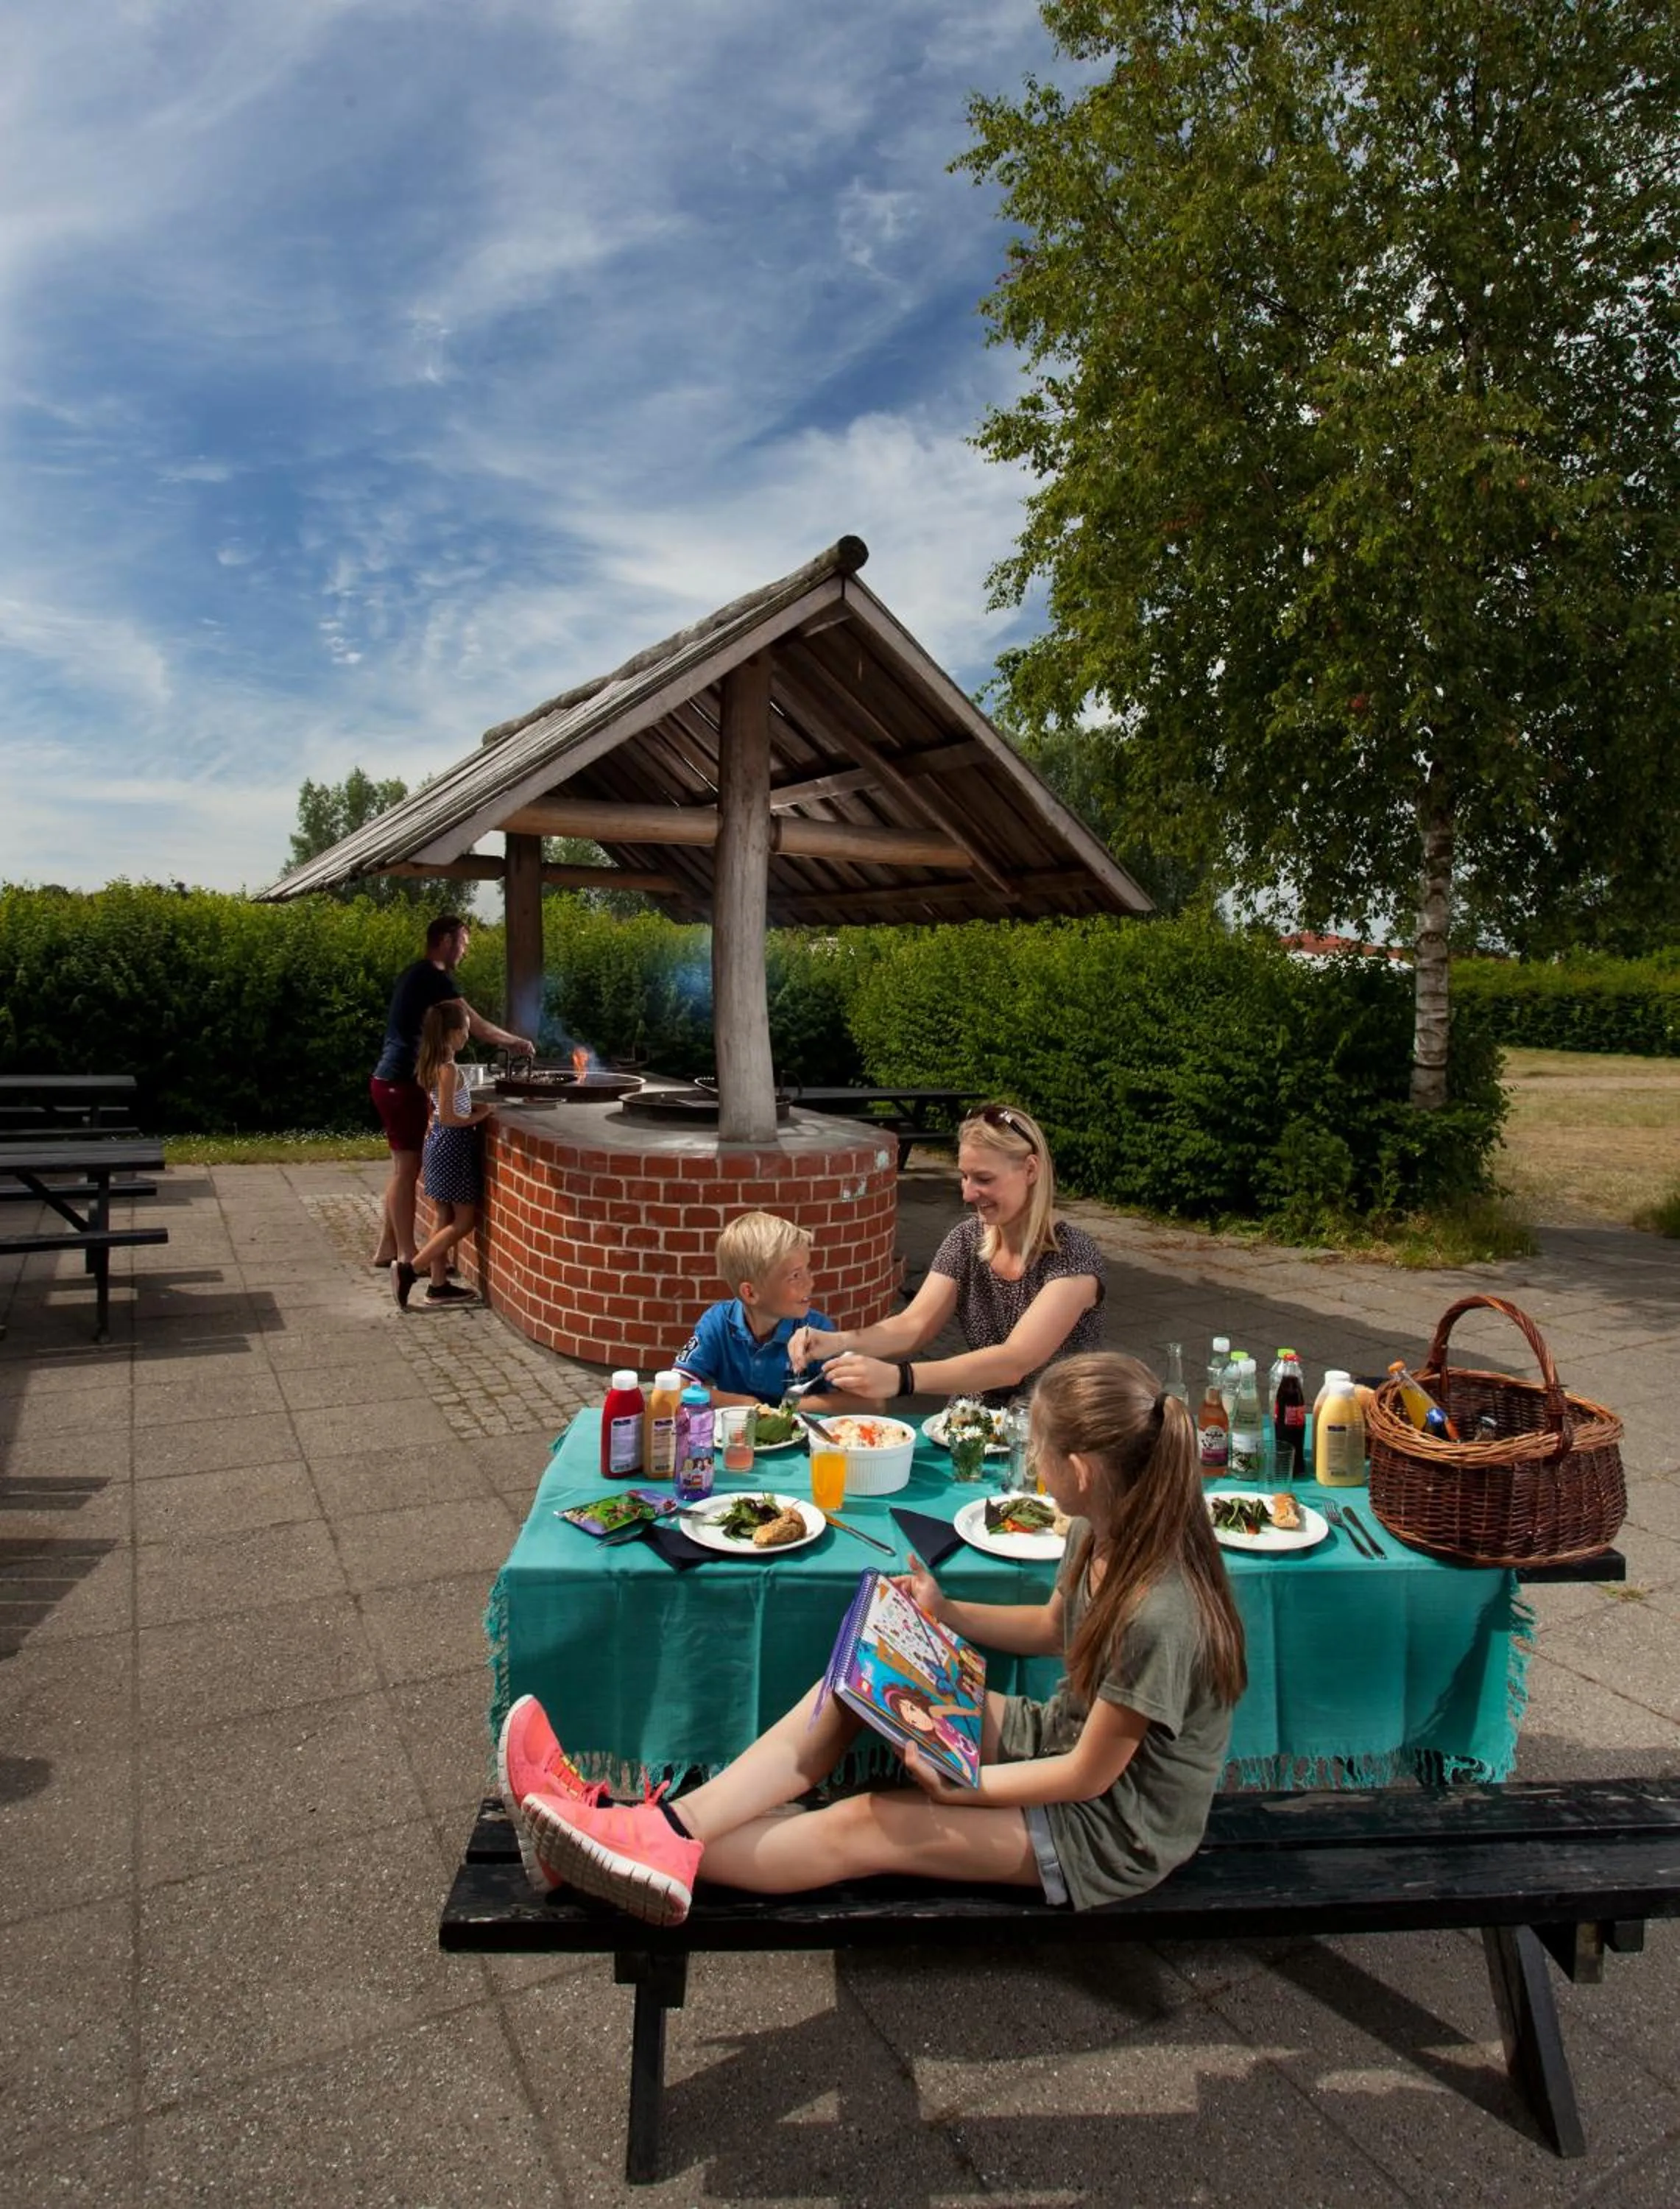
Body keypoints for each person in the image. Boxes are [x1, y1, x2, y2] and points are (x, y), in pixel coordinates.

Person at [498, 1351, 1247, 1926]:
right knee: (854, 1682)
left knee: (867, 1823)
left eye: (1037, 1449)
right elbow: (1056, 1628)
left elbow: (1089, 1777)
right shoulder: (1099, 1527)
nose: (1030, 1461)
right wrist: (943, 1613)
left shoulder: (1160, 1610)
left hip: (1114, 1832)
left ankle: (612, 1840)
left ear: (1078, 1471)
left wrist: (968, 1788)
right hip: (1056, 1743)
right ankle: (638, 1833)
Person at [788, 1102, 1106, 1411]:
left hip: (1057, 1428)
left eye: (983, 1179)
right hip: (976, 1420)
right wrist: (835, 1342)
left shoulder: (1073, 1257)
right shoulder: (968, 1239)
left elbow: (1014, 1361)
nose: (967, 1194)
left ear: (1031, 1170)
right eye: (965, 1176)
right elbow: (913, 1325)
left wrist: (901, 1379)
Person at [369, 915, 532, 1273]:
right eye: (464, 942)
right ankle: (408, 1257)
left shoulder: (416, 973)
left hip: (390, 1081)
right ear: (445, 940)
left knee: (401, 1167)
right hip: (399, 1082)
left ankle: (387, 1247)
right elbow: (473, 1024)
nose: (466, 950)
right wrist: (516, 1042)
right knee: (406, 1169)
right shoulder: (433, 976)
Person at [671, 1212, 880, 1412]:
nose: (811, 1282)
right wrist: (743, 1404)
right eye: (795, 1276)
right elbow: (675, 1387)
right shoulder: (717, 1323)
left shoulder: (817, 1331)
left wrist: (787, 1407)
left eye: (808, 1269)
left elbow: (872, 1403)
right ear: (750, 1293)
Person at [393, 1002, 498, 1309]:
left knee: (443, 1217)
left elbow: (442, 1109)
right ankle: (409, 1270)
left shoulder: (435, 1063)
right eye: (465, 1029)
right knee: (463, 1221)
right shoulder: (448, 1069)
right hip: (453, 1146)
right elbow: (450, 1118)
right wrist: (485, 1114)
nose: (468, 1034)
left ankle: (438, 1288)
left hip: (438, 1146)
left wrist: (473, 1109)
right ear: (452, 1033)